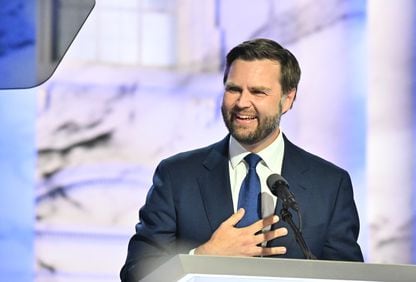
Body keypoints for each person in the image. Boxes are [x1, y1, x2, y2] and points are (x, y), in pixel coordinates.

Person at [120, 38, 363, 281]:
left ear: (288, 99)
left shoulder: (330, 184)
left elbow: (349, 278)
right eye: (233, 89)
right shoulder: (177, 176)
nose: (242, 103)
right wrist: (203, 257)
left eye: (258, 92)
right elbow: (136, 273)